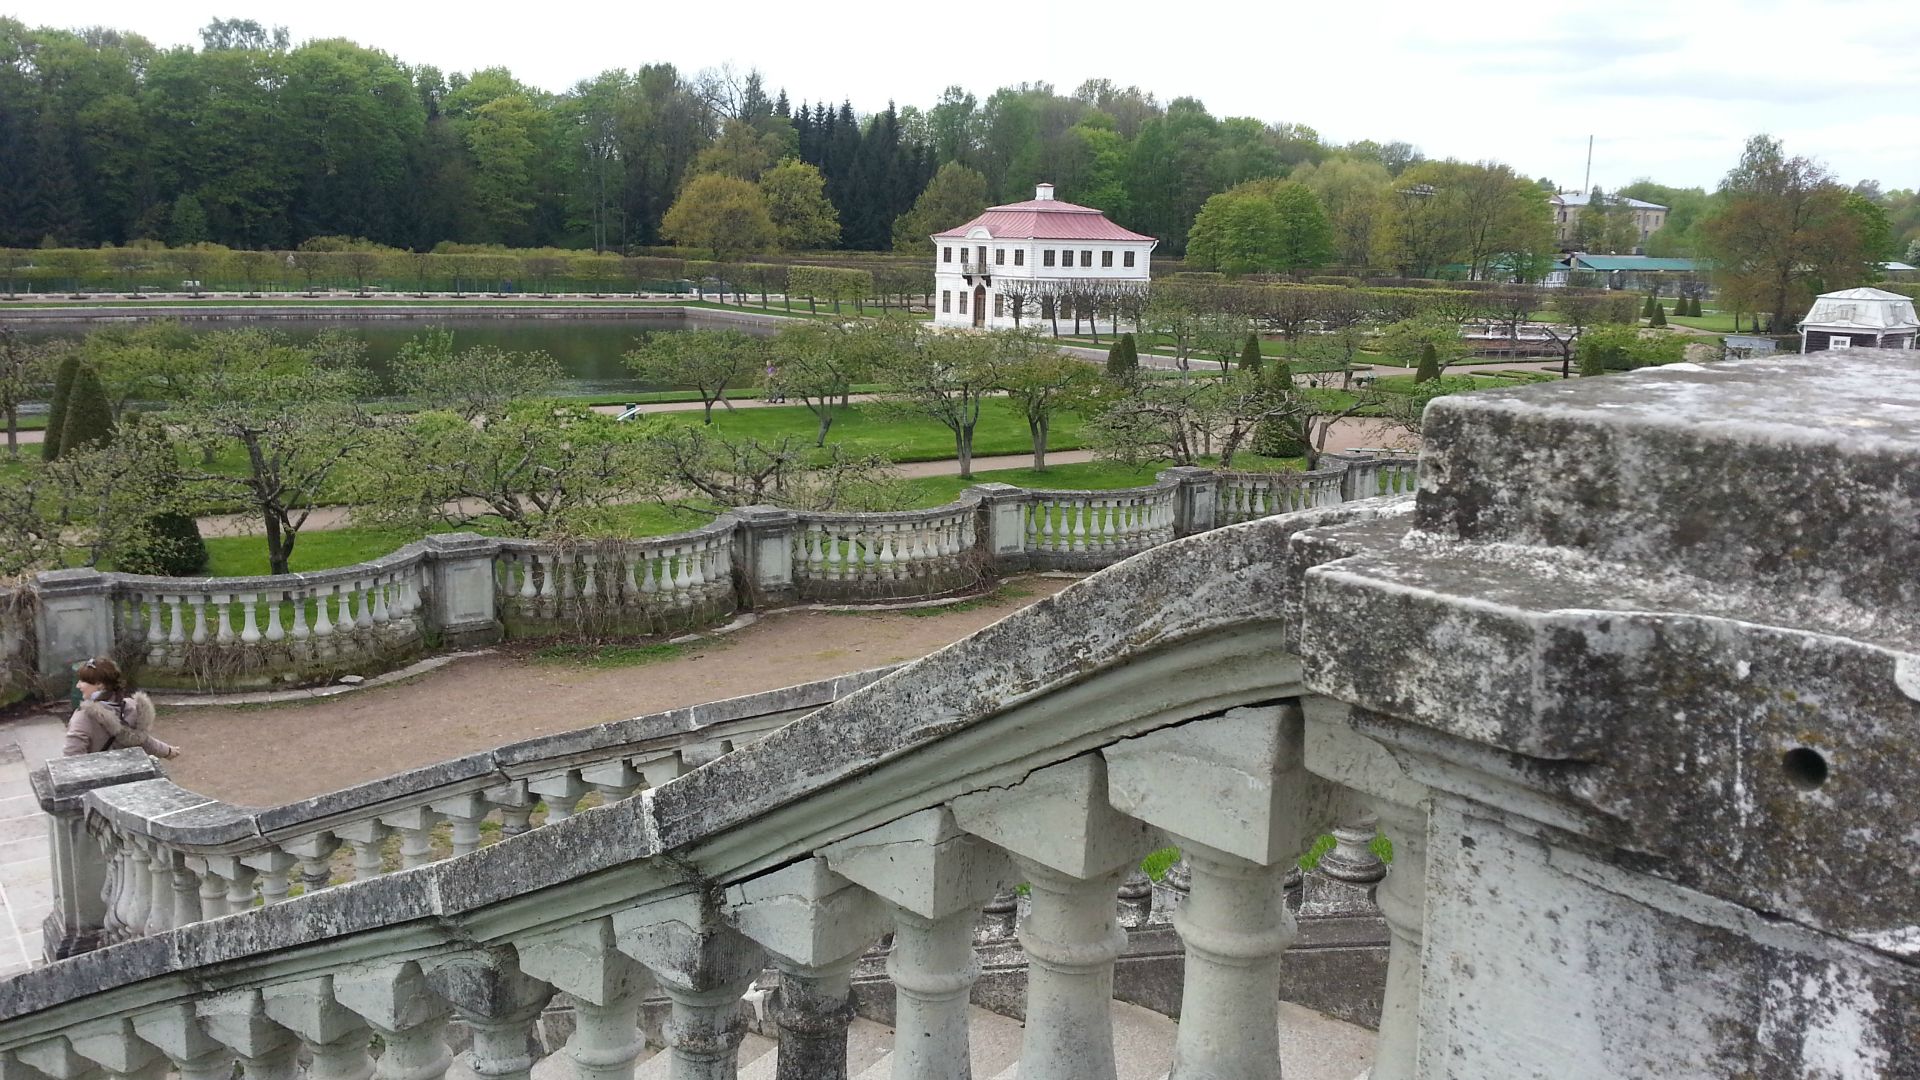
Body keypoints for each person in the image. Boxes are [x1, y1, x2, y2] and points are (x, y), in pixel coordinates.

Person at [63, 657, 181, 760]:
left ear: (100, 684)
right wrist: (167, 751)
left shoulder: (84, 717)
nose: (78, 685)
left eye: (83, 681)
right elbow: (142, 740)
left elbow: (72, 759)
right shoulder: (130, 707)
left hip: (101, 781)